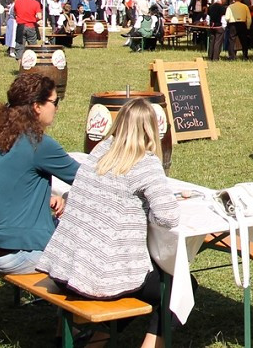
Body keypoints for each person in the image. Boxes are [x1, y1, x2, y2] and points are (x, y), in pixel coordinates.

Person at [38, 98, 179, 348]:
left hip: (65, 265)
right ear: (151, 129)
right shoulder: (146, 163)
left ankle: (97, 338)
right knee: (178, 286)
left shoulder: (101, 150)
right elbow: (168, 217)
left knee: (132, 283)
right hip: (97, 276)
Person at [0, 73, 80, 275]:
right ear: (37, 106)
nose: (57, 108)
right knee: (90, 251)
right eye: (55, 102)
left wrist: (46, 197)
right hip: (17, 255)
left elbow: (9, 185)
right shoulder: (39, 144)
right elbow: (90, 180)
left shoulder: (1, 139)